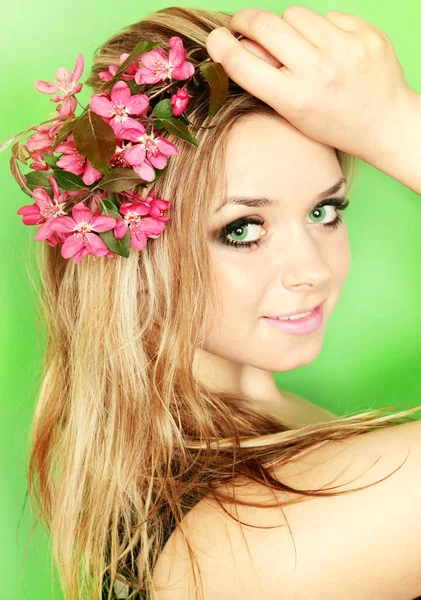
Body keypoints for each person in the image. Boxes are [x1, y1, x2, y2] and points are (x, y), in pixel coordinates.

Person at [17, 5, 421, 599]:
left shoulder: (274, 449)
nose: (312, 269)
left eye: (325, 211)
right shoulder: (252, 540)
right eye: (243, 229)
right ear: (136, 257)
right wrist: (397, 126)